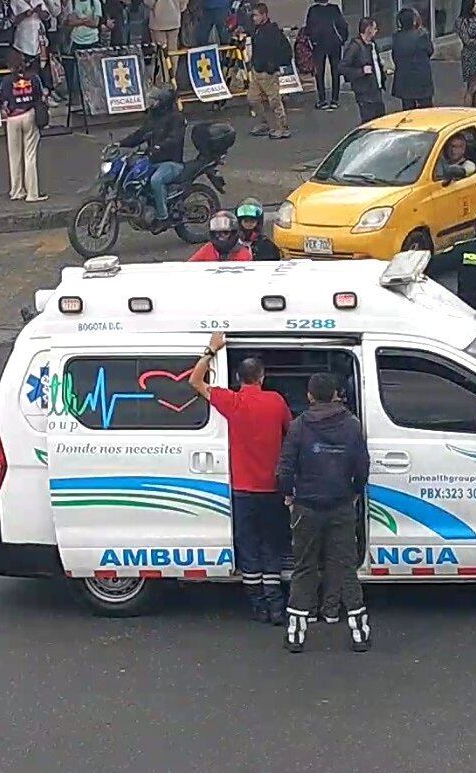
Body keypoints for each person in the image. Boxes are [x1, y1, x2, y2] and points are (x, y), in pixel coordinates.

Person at [189, 332, 293, 624]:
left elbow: (195, 382)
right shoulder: (276, 402)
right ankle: (276, 606)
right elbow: (292, 432)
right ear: (262, 376)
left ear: (238, 377)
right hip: (271, 488)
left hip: (242, 490)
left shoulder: (231, 402)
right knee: (272, 545)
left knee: (248, 547)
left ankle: (257, 605)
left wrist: (211, 349)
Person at [277, 373, 372, 653]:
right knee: (346, 567)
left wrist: (289, 495)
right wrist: (354, 493)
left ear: (309, 396)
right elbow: (362, 468)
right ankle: (360, 633)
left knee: (304, 568)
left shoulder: (299, 426)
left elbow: (285, 469)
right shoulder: (353, 426)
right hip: (341, 505)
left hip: (306, 506)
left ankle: (296, 635)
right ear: (335, 394)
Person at [118, 86, 186, 228]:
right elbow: (141, 133)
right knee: (135, 173)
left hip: (171, 162)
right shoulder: (153, 117)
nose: (151, 104)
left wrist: (159, 146)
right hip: (153, 159)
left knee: (156, 180)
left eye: (154, 101)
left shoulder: (176, 118)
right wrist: (121, 143)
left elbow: (175, 138)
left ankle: (163, 217)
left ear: (163, 102)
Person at [0, 50, 46, 202]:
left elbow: (3, 103)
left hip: (13, 118)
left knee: (14, 156)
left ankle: (17, 190)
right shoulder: (34, 78)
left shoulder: (6, 81)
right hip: (29, 115)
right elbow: (41, 96)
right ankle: (32, 193)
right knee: (30, 155)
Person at [247, 3, 293, 139]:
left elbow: (284, 51)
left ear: (264, 15)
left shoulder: (273, 32)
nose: (253, 18)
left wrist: (274, 66)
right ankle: (263, 123)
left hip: (268, 72)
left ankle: (282, 127)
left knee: (274, 101)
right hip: (257, 70)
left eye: (256, 15)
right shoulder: (257, 30)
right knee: (253, 99)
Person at [341, 17, 387, 123]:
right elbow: (342, 68)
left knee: (380, 119)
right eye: (374, 28)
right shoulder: (355, 47)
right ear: (368, 29)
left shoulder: (372, 44)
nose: (376, 31)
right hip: (364, 92)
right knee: (369, 121)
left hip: (376, 88)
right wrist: (361, 71)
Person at [305, 0, 348, 109]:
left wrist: (312, 41)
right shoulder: (334, 9)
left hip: (319, 45)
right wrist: (342, 39)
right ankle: (335, 99)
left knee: (319, 73)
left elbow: (308, 28)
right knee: (335, 71)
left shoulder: (313, 10)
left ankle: (322, 100)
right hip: (334, 44)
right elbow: (342, 25)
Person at [391, 8, 434, 111]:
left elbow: (395, 56)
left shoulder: (397, 37)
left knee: (408, 110)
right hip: (421, 79)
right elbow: (430, 51)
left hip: (404, 79)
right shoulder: (422, 35)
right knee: (426, 110)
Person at [454, 0, 476, 107]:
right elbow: (467, 41)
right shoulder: (461, 21)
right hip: (470, 55)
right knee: (472, 87)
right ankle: (468, 110)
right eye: (475, 3)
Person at [189, 211, 253, 260]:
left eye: (225, 233)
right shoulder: (208, 248)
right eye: (216, 233)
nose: (220, 237)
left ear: (234, 234)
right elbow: (188, 267)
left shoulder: (244, 254)